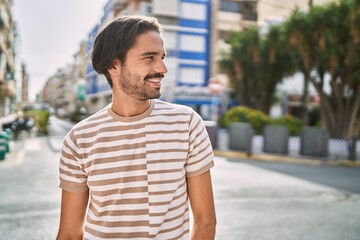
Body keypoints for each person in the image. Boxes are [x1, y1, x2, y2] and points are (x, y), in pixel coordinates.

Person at [57, 14, 216, 240]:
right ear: (114, 64)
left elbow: (205, 221)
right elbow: (70, 233)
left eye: (162, 57)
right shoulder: (79, 140)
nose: (162, 68)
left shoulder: (187, 124)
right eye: (149, 57)